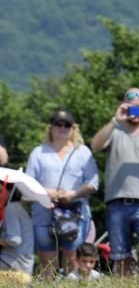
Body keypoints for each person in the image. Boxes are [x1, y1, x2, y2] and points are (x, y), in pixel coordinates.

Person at [90, 88, 139, 275]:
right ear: (123, 106)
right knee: (119, 255)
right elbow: (95, 146)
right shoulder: (115, 129)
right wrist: (115, 120)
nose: (135, 113)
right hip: (116, 201)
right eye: (131, 108)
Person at [25, 109, 99, 277]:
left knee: (73, 262)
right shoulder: (38, 153)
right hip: (44, 213)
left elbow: (93, 182)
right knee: (47, 263)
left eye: (67, 125)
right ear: (50, 128)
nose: (62, 128)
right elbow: (28, 182)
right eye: (58, 124)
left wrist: (73, 194)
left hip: (76, 213)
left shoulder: (82, 152)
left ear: (74, 129)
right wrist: (48, 192)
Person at [0, 186, 33, 275]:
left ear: (10, 192)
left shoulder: (10, 209)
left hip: (13, 263)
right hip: (23, 264)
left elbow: (14, 240)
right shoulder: (17, 207)